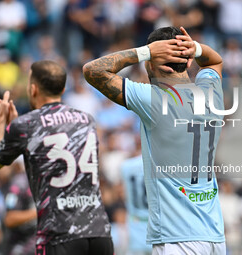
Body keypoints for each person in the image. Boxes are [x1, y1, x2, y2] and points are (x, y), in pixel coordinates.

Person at [83, 26, 225, 254]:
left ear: (149, 64)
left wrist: (144, 51)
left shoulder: (155, 99)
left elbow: (93, 71)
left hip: (177, 238)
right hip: (214, 235)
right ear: (189, 62)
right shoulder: (211, 92)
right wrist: (195, 48)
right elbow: (214, 62)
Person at [0, 60, 113, 255]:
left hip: (59, 235)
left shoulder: (26, 125)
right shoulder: (87, 120)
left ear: (33, 89)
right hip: (99, 232)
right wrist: (15, 129)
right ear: (63, 88)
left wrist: (1, 121)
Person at [2, 160, 37, 255]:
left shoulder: (43, 180)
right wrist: (37, 213)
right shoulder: (18, 183)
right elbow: (9, 218)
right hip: (19, 246)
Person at [121, 154, 152, 255]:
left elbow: (121, 192)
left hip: (135, 225)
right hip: (157, 228)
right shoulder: (162, 164)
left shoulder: (126, 165)